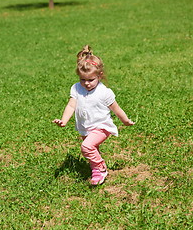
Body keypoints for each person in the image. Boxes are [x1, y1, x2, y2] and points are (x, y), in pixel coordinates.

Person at [52, 45, 135, 185]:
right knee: (92, 149)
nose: (86, 84)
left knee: (86, 147)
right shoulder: (76, 88)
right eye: (83, 80)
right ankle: (95, 170)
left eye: (91, 80)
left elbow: (116, 109)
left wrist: (125, 121)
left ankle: (100, 169)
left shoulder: (104, 92)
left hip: (101, 126)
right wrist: (64, 120)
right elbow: (71, 105)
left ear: (99, 76)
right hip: (85, 126)